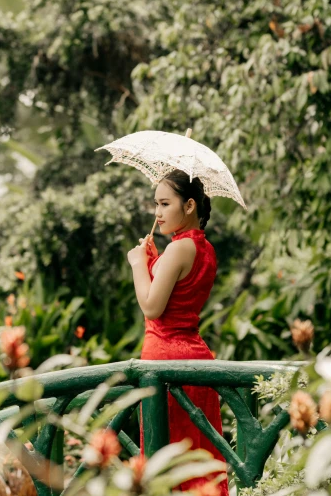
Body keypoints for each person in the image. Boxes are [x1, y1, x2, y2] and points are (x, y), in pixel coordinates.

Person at [126, 169, 229, 495]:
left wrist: (138, 265)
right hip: (197, 359)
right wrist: (155, 261)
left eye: (165, 203)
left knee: (165, 462)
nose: (157, 213)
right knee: (197, 458)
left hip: (166, 359)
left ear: (188, 206)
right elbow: (179, 295)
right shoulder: (205, 249)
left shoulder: (178, 249)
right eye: (156, 204)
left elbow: (152, 308)